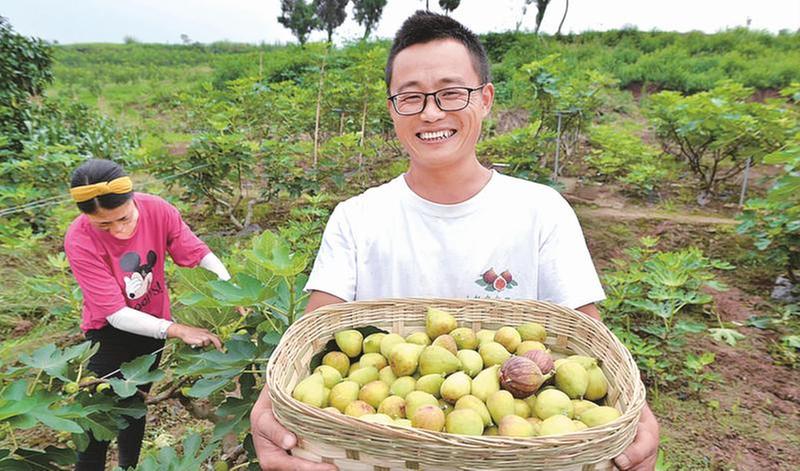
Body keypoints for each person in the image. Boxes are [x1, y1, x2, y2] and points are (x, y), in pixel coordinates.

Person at [250, 11, 659, 471]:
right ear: (392, 109)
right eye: (411, 97)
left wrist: (635, 419)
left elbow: (587, 340)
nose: (430, 112)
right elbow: (316, 333)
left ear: (485, 99)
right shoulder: (356, 218)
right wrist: (267, 409)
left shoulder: (541, 211)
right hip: (381, 450)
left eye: (450, 92)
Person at [65, 159, 229, 471]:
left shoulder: (158, 210)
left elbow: (197, 253)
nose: (118, 229)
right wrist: (178, 329)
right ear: (85, 216)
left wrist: (230, 288)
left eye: (123, 218)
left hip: (153, 326)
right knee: (95, 421)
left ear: (132, 199)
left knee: (134, 407)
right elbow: (114, 313)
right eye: (104, 224)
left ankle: (129, 467)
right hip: (108, 336)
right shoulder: (79, 239)